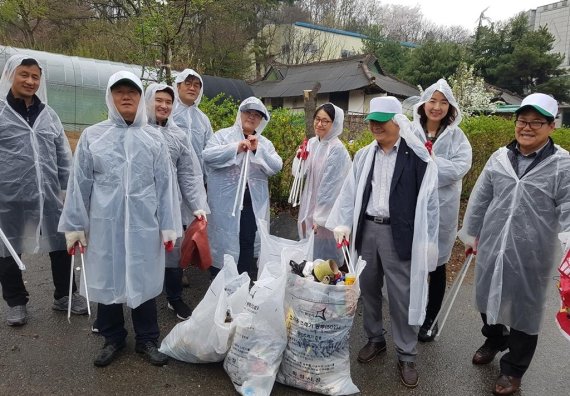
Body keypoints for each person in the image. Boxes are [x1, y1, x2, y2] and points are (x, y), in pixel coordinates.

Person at [58, 71, 179, 367]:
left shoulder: (154, 138)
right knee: (108, 278)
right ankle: (112, 337)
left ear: (140, 98)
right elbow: (79, 183)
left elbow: (165, 185)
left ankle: (147, 338)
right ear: (110, 97)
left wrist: (168, 224)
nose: (126, 96)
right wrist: (75, 225)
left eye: (133, 92)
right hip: (105, 224)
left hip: (144, 224)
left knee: (144, 279)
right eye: (119, 91)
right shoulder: (93, 136)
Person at [458, 93, 570, 395]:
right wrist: (471, 234)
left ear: (551, 126)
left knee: (525, 308)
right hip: (494, 242)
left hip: (534, 250)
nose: (527, 127)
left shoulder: (562, 165)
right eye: (523, 120)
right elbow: (481, 196)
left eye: (537, 122)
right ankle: (495, 338)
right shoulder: (500, 157)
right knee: (485, 295)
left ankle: (513, 369)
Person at [327, 96, 439, 388]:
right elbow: (350, 190)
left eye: (381, 121)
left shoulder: (417, 158)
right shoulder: (365, 155)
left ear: (397, 121)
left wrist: (428, 240)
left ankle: (407, 353)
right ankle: (375, 338)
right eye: (372, 121)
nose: (375, 126)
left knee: (401, 295)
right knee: (368, 289)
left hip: (399, 233)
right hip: (367, 230)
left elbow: (429, 202)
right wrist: (343, 223)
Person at [0, 54, 87, 327]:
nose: (30, 81)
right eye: (23, 74)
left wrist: (67, 190)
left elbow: (63, 155)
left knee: (61, 243)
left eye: (35, 76)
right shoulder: (1, 113)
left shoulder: (49, 115)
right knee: (7, 249)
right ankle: (16, 302)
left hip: (49, 196)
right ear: (10, 75)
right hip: (9, 197)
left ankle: (65, 295)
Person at [411, 79, 472, 342]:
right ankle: (410, 312)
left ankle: (430, 320)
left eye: (443, 102)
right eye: (432, 101)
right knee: (409, 264)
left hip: (443, 211)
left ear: (451, 108)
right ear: (423, 104)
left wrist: (430, 162)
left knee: (436, 267)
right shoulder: (411, 132)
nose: (436, 107)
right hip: (412, 208)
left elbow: (459, 168)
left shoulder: (458, 138)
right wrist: (432, 165)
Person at [144, 83, 209, 320]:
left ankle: (174, 297)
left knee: (173, 255)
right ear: (148, 101)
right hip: (141, 206)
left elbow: (189, 174)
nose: (163, 106)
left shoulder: (178, 136)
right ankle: (140, 299)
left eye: (168, 102)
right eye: (158, 100)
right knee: (142, 252)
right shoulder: (138, 131)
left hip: (170, 204)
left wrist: (196, 205)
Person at [203, 97, 282, 279]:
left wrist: (257, 150)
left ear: (262, 120)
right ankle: (219, 280)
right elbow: (208, 155)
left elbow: (276, 165)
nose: (252, 117)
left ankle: (244, 279)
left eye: (257, 115)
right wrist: (236, 147)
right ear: (241, 114)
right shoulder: (222, 136)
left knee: (246, 240)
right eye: (248, 113)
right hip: (225, 206)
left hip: (251, 205)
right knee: (223, 240)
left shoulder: (265, 143)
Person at [293, 103, 351, 264]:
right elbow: (299, 173)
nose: (320, 124)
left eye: (326, 121)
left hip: (327, 215)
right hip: (310, 205)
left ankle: (325, 287)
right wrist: (300, 158)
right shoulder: (313, 143)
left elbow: (330, 188)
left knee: (326, 259)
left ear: (335, 124)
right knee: (309, 256)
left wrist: (319, 219)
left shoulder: (336, 149)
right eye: (317, 119)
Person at [172, 68, 213, 173]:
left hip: (195, 175)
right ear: (178, 86)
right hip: (170, 172)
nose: (192, 88)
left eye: (196, 85)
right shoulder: (168, 112)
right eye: (188, 83)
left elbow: (209, 148)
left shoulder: (203, 119)